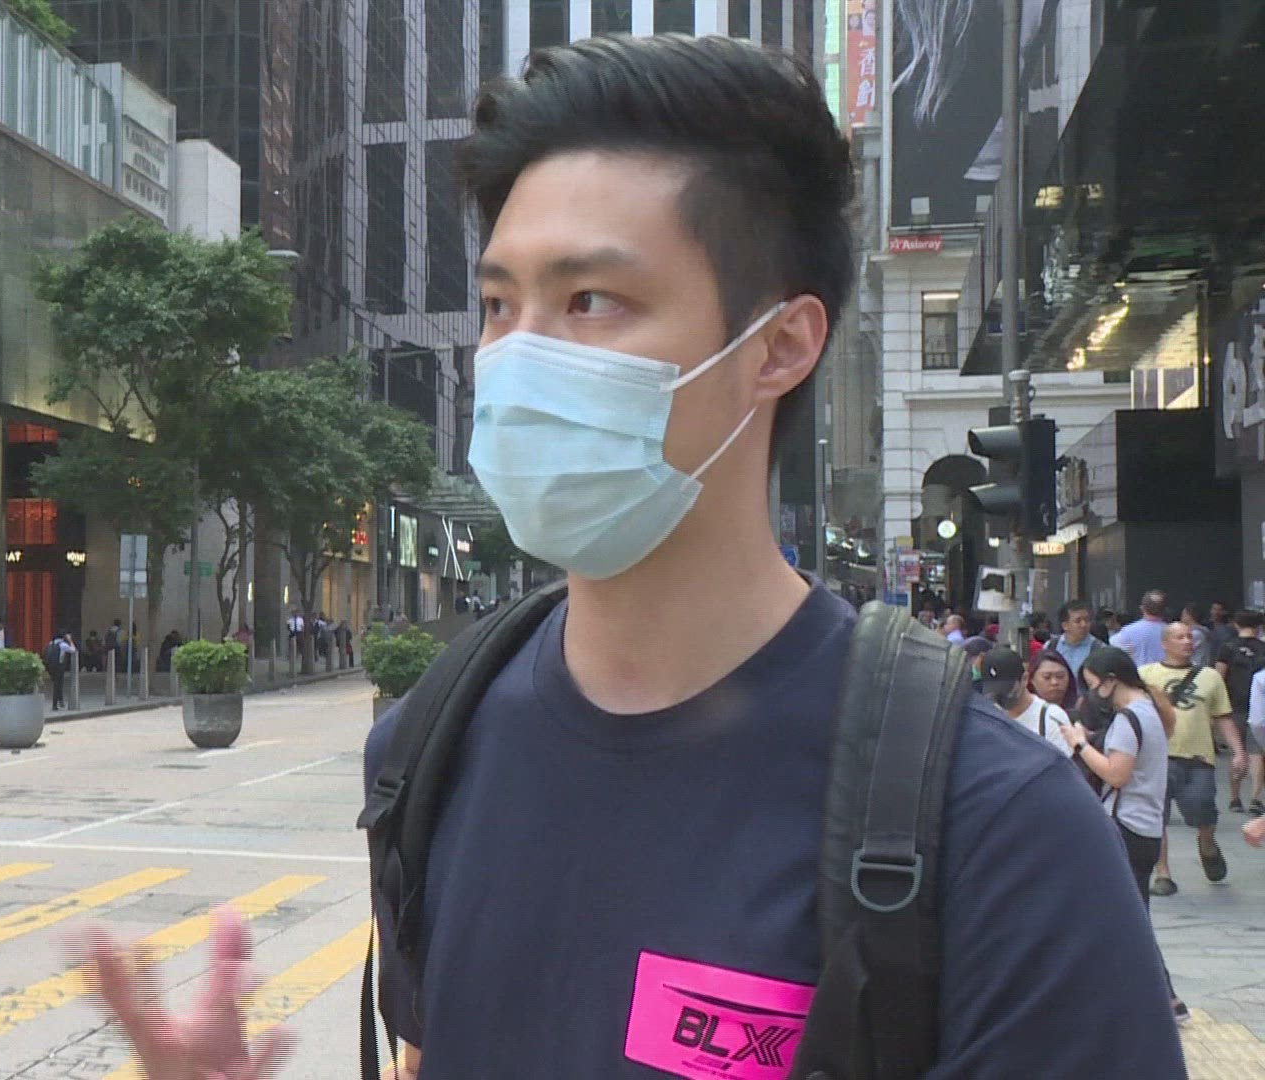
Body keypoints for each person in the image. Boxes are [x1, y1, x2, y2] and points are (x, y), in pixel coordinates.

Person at [77, 33, 1183, 1078]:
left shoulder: (1000, 836)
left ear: (780, 346)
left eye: (592, 300)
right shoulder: (429, 754)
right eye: (500, 303)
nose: (518, 360)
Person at [1065, 645, 1185, 1022]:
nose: (1092, 693)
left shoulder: (1129, 719)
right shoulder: (1150, 711)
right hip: (1146, 828)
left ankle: (1163, 997)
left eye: (1093, 685)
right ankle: (1156, 996)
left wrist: (1079, 743)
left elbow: (1116, 774)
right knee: (1129, 912)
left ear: (1111, 681)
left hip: (1126, 825)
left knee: (1128, 915)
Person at [1145, 621, 1242, 897]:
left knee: (1203, 810)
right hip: (1158, 758)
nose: (1187, 641)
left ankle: (1207, 844)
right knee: (1157, 817)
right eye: (1179, 637)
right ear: (1165, 644)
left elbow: (1223, 716)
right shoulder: (1146, 675)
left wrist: (1238, 751)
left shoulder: (1210, 677)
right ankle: (1163, 873)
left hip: (1198, 758)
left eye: (1189, 636)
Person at [1216, 611, 1265, 815]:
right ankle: (1255, 797)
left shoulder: (1228, 647)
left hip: (1233, 706)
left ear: (1236, 624)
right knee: (1257, 753)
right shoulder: (1263, 647)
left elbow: (1219, 676)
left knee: (1237, 752)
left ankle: (1235, 797)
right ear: (1259, 627)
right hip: (1260, 706)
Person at [981, 647, 1070, 752]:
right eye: (995, 692)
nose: (1001, 697)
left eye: (1007, 690)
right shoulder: (987, 717)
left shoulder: (1051, 716)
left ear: (1024, 679)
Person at [1112, 590, 1171, 667]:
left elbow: (1114, 648)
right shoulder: (1172, 632)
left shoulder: (1128, 631)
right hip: (1166, 673)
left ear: (1142, 608)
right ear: (1165, 609)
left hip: (1138, 673)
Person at [1052, 598, 1097, 672]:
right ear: (1065, 626)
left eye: (1086, 620)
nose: (1084, 625)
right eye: (1078, 621)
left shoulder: (1099, 649)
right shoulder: (1051, 646)